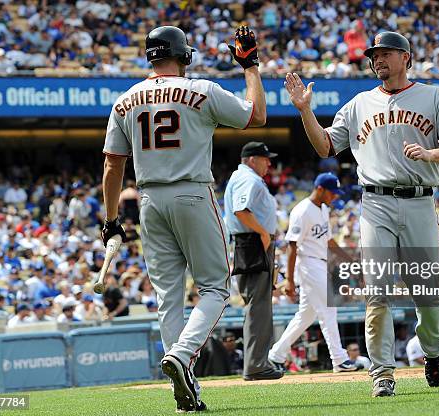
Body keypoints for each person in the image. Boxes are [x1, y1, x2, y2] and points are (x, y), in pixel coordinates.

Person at [285, 31, 439, 397]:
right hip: (376, 204)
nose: (377, 59)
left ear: (406, 57)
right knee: (377, 292)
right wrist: (305, 111)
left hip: (419, 201)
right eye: (374, 55)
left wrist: (431, 155)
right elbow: (324, 146)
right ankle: (382, 372)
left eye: (386, 54)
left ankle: (432, 352)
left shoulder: (433, 95)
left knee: (427, 294)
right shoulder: (358, 104)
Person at [101, 25, 266, 412]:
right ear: (184, 54)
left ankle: (185, 383)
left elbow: (112, 165)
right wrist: (250, 66)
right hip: (191, 192)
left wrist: (111, 221)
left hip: (148, 201)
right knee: (216, 289)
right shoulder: (203, 90)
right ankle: (182, 356)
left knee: (168, 298)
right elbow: (256, 115)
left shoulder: (125, 99)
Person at [268, 173, 358, 373]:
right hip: (307, 263)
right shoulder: (302, 211)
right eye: (331, 192)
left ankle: (276, 354)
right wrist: (290, 280)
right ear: (319, 189)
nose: (334, 196)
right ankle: (339, 359)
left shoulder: (324, 208)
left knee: (306, 316)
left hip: (319, 263)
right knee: (328, 310)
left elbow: (329, 241)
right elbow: (292, 246)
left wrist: (350, 260)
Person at [223, 141, 283, 381]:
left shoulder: (244, 178)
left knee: (259, 306)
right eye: (265, 158)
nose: (269, 162)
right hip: (252, 242)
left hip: (251, 243)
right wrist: (263, 233)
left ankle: (258, 362)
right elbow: (241, 211)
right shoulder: (248, 179)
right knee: (259, 308)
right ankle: (256, 365)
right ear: (251, 159)